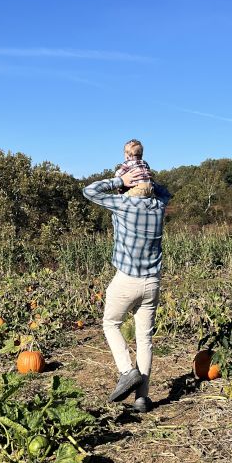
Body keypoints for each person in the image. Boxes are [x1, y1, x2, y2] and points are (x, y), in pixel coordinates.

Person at [82, 164, 171, 412]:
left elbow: (89, 191)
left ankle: (126, 371)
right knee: (144, 339)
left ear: (130, 186)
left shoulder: (123, 205)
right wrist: (149, 181)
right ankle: (142, 398)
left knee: (110, 324)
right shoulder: (158, 206)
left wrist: (119, 179)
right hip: (152, 282)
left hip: (126, 280)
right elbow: (166, 193)